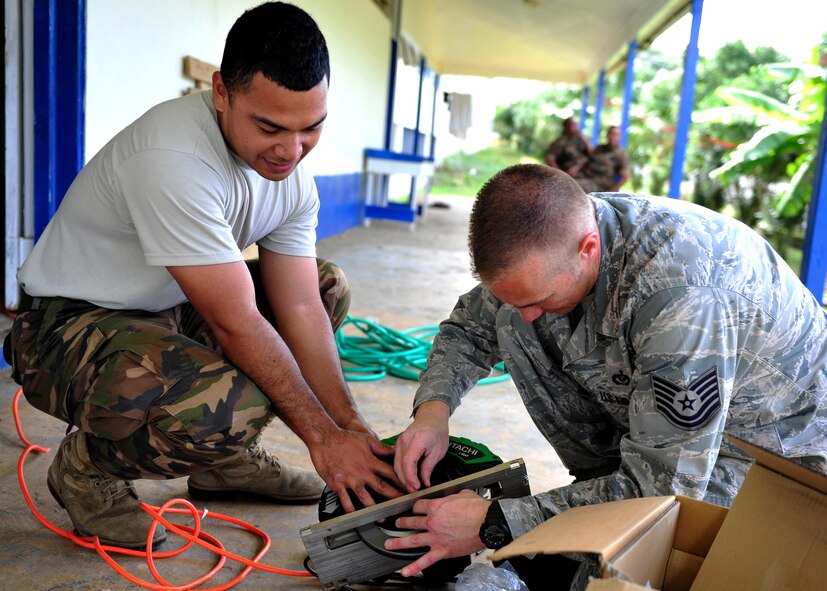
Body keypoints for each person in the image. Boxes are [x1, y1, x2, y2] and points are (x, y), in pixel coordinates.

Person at [5, 1, 402, 551]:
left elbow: (304, 308)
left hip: (166, 311)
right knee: (233, 401)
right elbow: (236, 321)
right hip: (67, 326)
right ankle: (86, 470)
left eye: (312, 128)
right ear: (222, 93)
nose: (291, 150)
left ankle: (225, 463)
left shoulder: (290, 178)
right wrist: (321, 441)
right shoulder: (172, 156)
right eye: (269, 127)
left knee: (326, 285)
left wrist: (349, 430)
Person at [385, 163, 827, 581]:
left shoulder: (682, 298)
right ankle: (597, 490)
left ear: (588, 249)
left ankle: (597, 514)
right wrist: (432, 414)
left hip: (765, 451)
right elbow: (468, 328)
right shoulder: (552, 240)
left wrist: (496, 523)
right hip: (675, 441)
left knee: (632, 569)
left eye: (538, 297)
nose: (527, 314)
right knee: (513, 324)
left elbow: (664, 491)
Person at [575, 125, 630, 192]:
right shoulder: (600, 148)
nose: (612, 137)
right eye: (610, 134)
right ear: (607, 135)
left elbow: (625, 176)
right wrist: (576, 168)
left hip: (598, 185)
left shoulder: (621, 154)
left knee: (573, 186)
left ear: (619, 137)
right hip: (583, 177)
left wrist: (610, 192)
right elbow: (588, 159)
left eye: (615, 135)